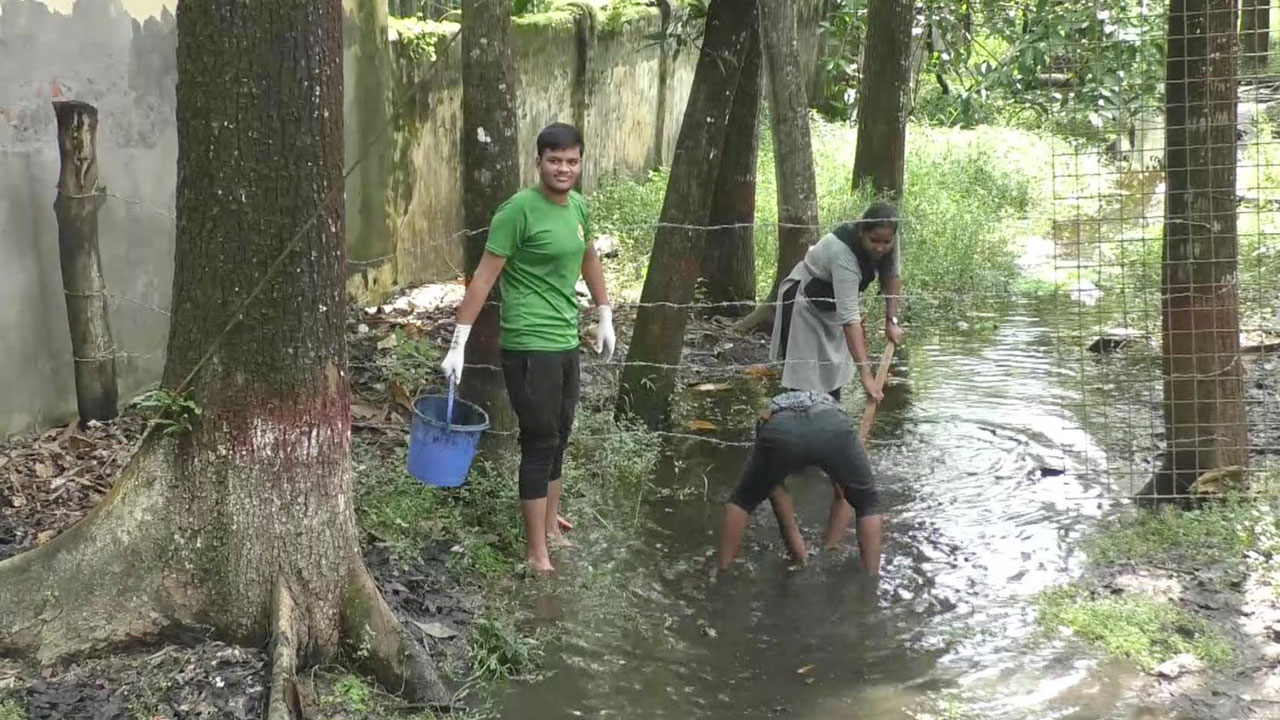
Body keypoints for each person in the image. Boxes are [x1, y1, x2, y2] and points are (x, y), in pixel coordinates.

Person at [440, 122, 615, 574]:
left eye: (572, 161)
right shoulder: (517, 211)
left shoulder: (578, 206)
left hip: (565, 340)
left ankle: (551, 528)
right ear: (538, 162)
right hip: (528, 344)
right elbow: (483, 278)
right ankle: (536, 554)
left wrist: (604, 312)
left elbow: (588, 256)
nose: (564, 168)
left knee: (560, 435)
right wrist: (459, 342)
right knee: (539, 441)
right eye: (554, 160)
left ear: (580, 163)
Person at [767, 202, 904, 557]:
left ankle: (823, 453)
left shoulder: (890, 240)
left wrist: (891, 320)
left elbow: (891, 277)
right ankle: (793, 454)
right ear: (862, 232)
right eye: (874, 241)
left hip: (831, 311)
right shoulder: (844, 252)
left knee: (831, 382)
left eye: (886, 242)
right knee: (803, 386)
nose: (880, 248)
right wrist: (867, 376)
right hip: (806, 306)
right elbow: (850, 318)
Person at [717, 390, 883, 575]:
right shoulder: (833, 412)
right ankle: (871, 580)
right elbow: (842, 494)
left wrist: (800, 557)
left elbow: (779, 500)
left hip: (781, 431)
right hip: (832, 426)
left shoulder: (768, 417)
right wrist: (829, 548)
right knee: (868, 504)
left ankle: (722, 575)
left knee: (741, 502)